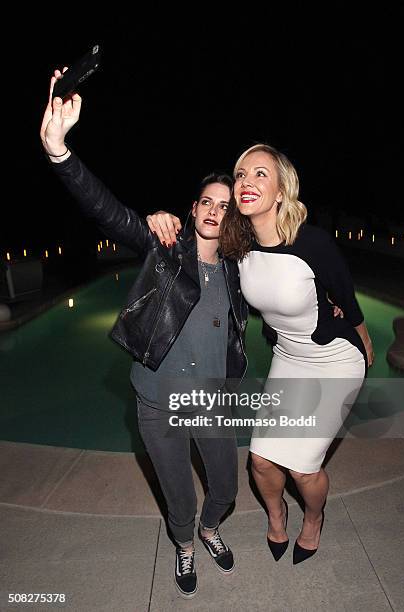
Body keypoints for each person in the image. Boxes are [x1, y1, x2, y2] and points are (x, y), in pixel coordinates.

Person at [40, 69, 248, 599]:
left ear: (229, 220)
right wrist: (60, 152)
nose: (215, 210)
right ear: (193, 206)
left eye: (225, 206)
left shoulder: (235, 270)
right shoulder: (163, 249)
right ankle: (184, 544)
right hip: (158, 401)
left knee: (225, 487)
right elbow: (106, 211)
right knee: (178, 493)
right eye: (208, 201)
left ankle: (210, 530)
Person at [147, 143, 373, 565]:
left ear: (282, 191)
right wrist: (157, 219)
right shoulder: (239, 246)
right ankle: (277, 513)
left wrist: (363, 339)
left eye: (260, 174)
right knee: (262, 462)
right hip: (288, 357)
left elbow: (347, 296)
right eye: (242, 174)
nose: (247, 182)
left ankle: (314, 517)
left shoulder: (314, 243)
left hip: (333, 359)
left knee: (304, 467)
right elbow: (202, 259)